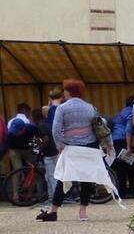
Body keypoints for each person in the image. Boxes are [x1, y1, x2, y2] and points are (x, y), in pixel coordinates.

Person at [39, 79, 115, 222]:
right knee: (87, 179)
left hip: (71, 147)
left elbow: (55, 130)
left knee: (64, 178)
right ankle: (83, 211)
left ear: (68, 92)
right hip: (90, 148)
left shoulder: (62, 108)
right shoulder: (91, 108)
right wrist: (109, 144)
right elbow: (100, 126)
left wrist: (60, 146)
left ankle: (53, 211)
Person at [32, 109, 60, 214]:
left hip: (50, 153)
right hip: (53, 152)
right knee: (49, 177)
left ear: (34, 118)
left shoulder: (41, 126)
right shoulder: (46, 124)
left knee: (51, 177)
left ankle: (54, 199)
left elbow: (46, 139)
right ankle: (51, 198)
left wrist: (40, 148)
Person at [110, 95, 134, 197]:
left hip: (115, 141)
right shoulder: (131, 113)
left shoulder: (120, 112)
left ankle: (121, 190)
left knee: (120, 168)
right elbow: (128, 129)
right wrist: (129, 146)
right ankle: (129, 190)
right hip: (123, 141)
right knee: (129, 165)